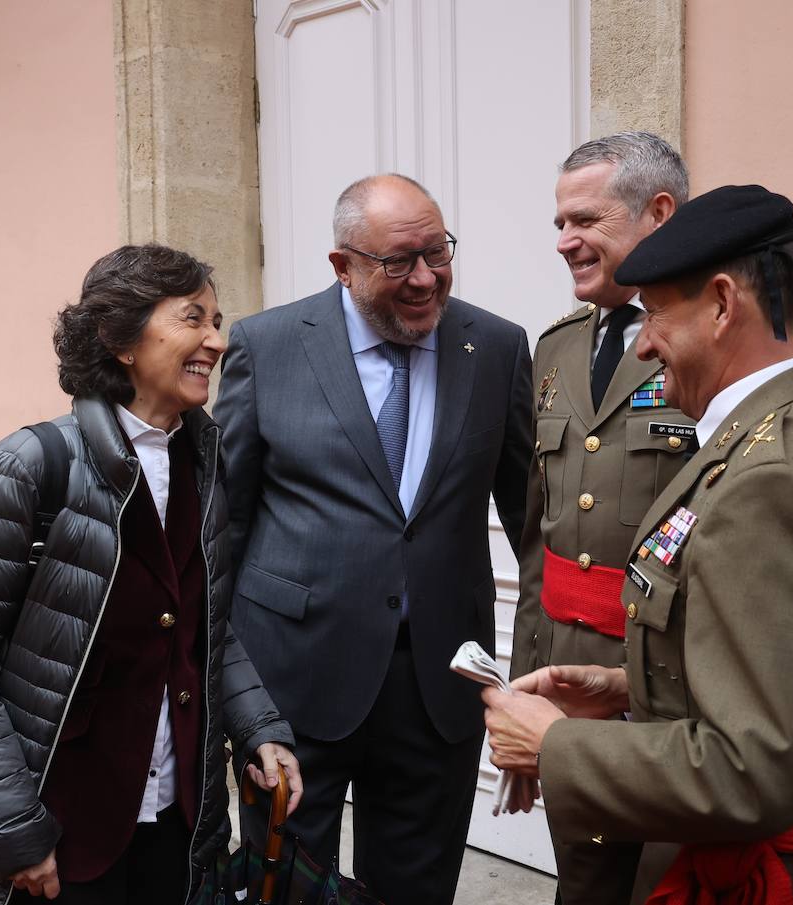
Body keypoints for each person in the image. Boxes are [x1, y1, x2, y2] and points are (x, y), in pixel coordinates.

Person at [510, 133, 793, 905]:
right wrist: (628, 688)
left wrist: (555, 744)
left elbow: (751, 766)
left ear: (719, 304)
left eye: (659, 316)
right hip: (661, 706)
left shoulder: (776, 472)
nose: (645, 342)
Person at [0, 244, 300, 905]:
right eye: (192, 318)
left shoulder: (204, 460)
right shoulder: (28, 465)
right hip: (57, 826)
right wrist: (13, 830)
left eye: (217, 321)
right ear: (118, 339)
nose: (215, 342)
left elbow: (203, 627)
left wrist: (259, 727)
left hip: (175, 819)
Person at [212, 173, 533, 903]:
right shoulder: (267, 347)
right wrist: (228, 689)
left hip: (438, 686)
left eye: (438, 252)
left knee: (416, 888)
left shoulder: (498, 348)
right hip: (293, 683)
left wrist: (531, 685)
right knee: (284, 885)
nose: (425, 278)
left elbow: (532, 525)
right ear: (342, 266)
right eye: (399, 262)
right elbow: (222, 526)